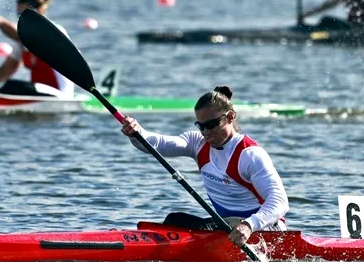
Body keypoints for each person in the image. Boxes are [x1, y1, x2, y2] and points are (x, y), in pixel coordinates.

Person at [120, 86, 289, 247]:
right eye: (201, 126)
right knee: (175, 220)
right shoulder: (197, 143)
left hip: (265, 229)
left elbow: (280, 202)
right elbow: (157, 144)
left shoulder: (250, 155)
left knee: (215, 225)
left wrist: (249, 225)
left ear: (230, 116)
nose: (206, 132)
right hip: (227, 227)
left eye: (212, 124)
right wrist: (137, 132)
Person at [0, 0, 75, 98]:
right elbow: (4, 71)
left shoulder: (53, 30)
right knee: (7, 85)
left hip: (59, 95)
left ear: (40, 11)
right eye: (19, 14)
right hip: (38, 94)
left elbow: (18, 33)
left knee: (12, 86)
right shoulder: (22, 41)